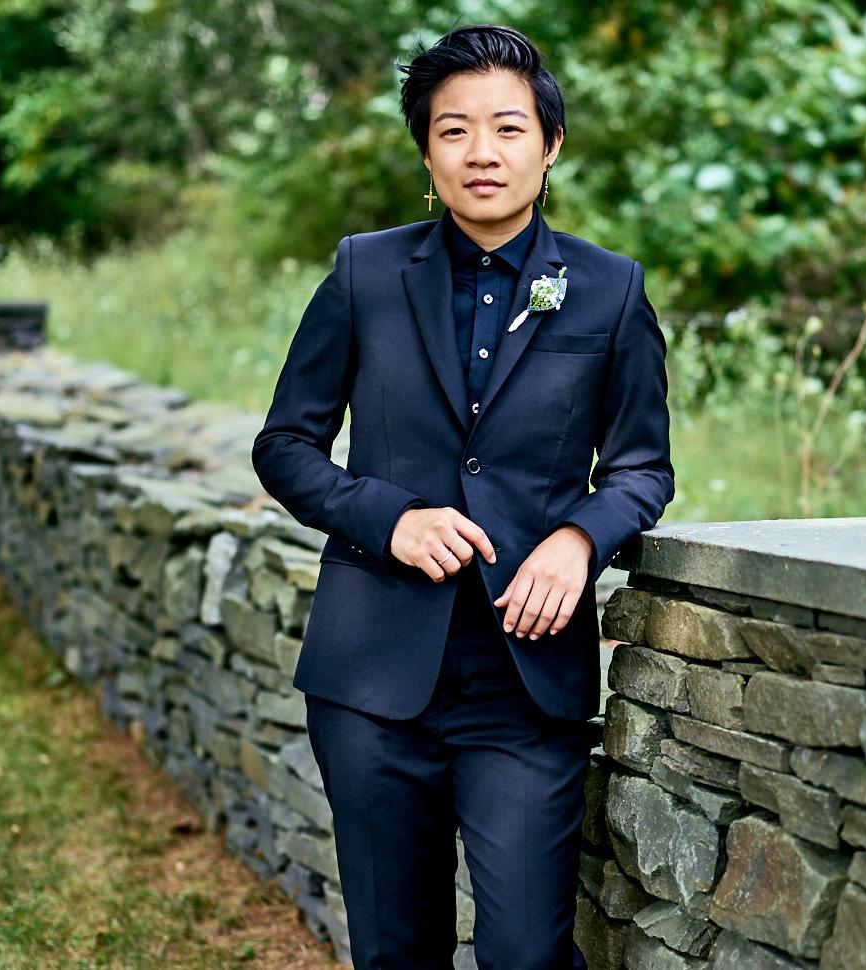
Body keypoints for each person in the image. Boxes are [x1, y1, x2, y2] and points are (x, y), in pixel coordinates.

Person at [251, 23, 674, 970]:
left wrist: (578, 539)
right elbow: (284, 445)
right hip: (371, 680)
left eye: (509, 128)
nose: (483, 152)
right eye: (454, 130)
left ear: (550, 145)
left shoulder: (610, 291)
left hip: (525, 688)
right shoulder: (364, 271)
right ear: (426, 149)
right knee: (396, 953)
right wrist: (386, 516)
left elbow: (644, 466)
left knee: (526, 953)